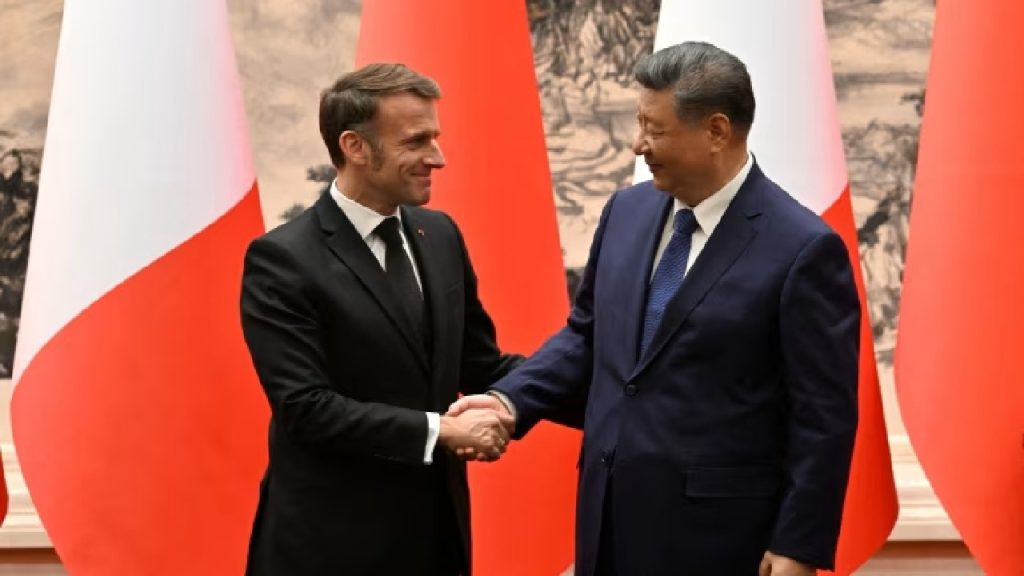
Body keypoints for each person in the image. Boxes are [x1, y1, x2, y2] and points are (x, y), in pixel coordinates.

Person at [451, 41, 860, 576]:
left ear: (716, 131)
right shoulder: (626, 210)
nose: (638, 144)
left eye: (654, 128)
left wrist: (799, 546)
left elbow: (823, 416)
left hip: (719, 539)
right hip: (607, 518)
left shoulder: (802, 248)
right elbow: (586, 336)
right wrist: (509, 402)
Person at [241, 63, 520, 576]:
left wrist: (605, 382)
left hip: (437, 541)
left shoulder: (440, 236)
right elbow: (306, 408)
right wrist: (442, 432)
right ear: (355, 147)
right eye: (416, 141)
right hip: (330, 548)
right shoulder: (282, 259)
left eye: (434, 137)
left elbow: (478, 364)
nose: (437, 157)